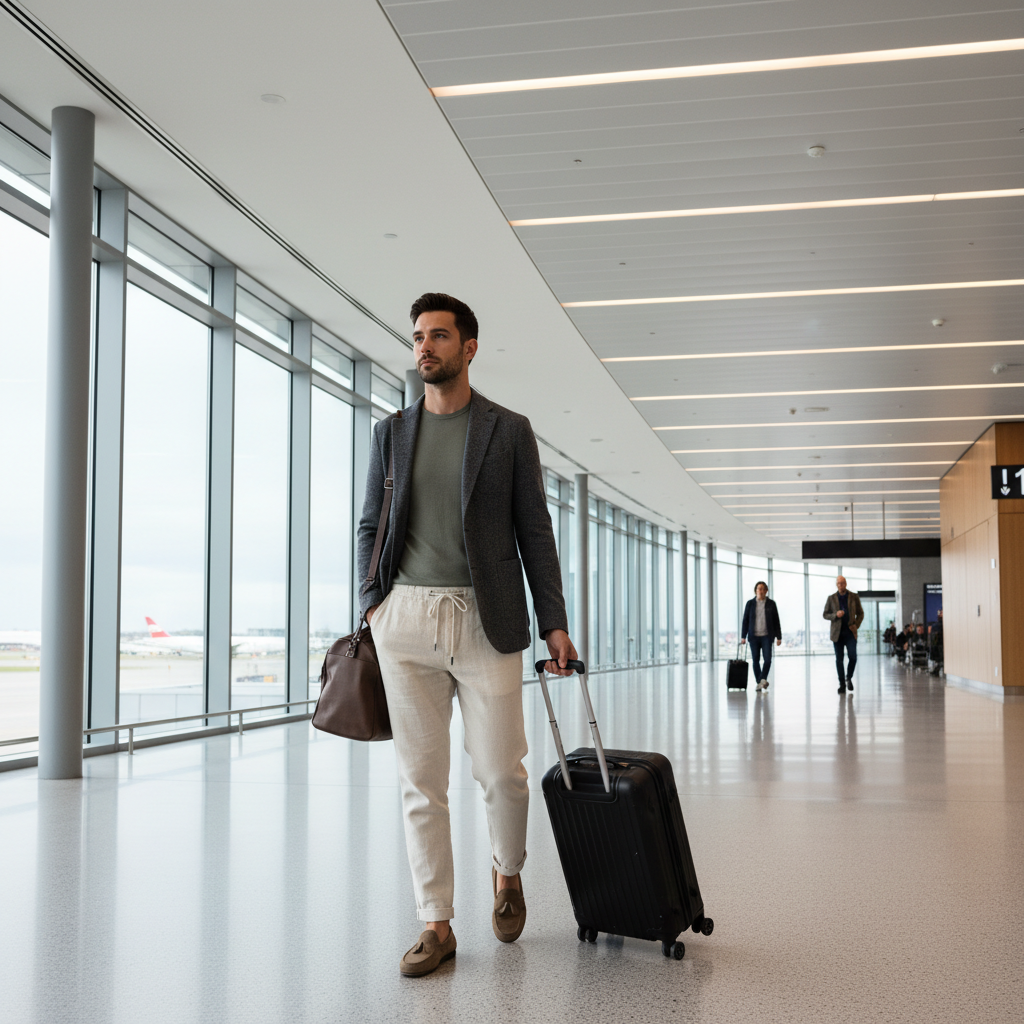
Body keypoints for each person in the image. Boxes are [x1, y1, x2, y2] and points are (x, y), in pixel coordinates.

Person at [358, 292, 577, 978]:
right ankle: (437, 923)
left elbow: (534, 534)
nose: (425, 346)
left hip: (489, 620)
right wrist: (374, 604)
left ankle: (506, 875)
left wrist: (555, 623)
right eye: (419, 336)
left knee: (502, 773)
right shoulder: (390, 432)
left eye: (440, 336)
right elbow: (370, 524)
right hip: (405, 621)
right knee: (421, 781)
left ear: (469, 347)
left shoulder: (507, 430)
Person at [823, 575, 863, 695]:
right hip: (837, 634)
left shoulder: (854, 597)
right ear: (837, 585)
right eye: (839, 583)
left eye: (843, 583)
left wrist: (856, 625)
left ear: (846, 584)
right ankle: (842, 684)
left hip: (850, 632)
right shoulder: (831, 598)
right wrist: (835, 614)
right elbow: (825, 614)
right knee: (839, 660)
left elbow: (860, 613)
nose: (841, 585)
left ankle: (848, 677)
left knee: (853, 657)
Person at [740, 581, 782, 691]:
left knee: (768, 659)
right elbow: (745, 620)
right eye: (759, 589)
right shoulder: (750, 604)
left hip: (767, 636)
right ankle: (760, 682)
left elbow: (776, 621)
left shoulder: (771, 604)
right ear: (755, 591)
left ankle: (762, 679)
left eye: (763, 589)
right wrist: (743, 636)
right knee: (755, 660)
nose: (761, 591)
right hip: (754, 636)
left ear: (766, 591)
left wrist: (779, 636)